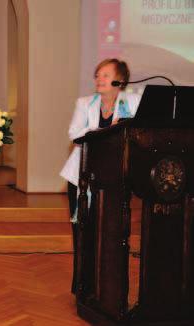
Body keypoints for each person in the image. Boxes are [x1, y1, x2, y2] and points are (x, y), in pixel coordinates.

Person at [60, 58, 141, 294]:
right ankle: (81, 283)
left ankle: (106, 283)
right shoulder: (85, 103)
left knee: (109, 233)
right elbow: (75, 133)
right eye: (97, 75)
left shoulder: (133, 102)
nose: (99, 79)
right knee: (82, 231)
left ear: (120, 80)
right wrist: (106, 130)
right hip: (81, 177)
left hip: (115, 179)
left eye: (105, 75)